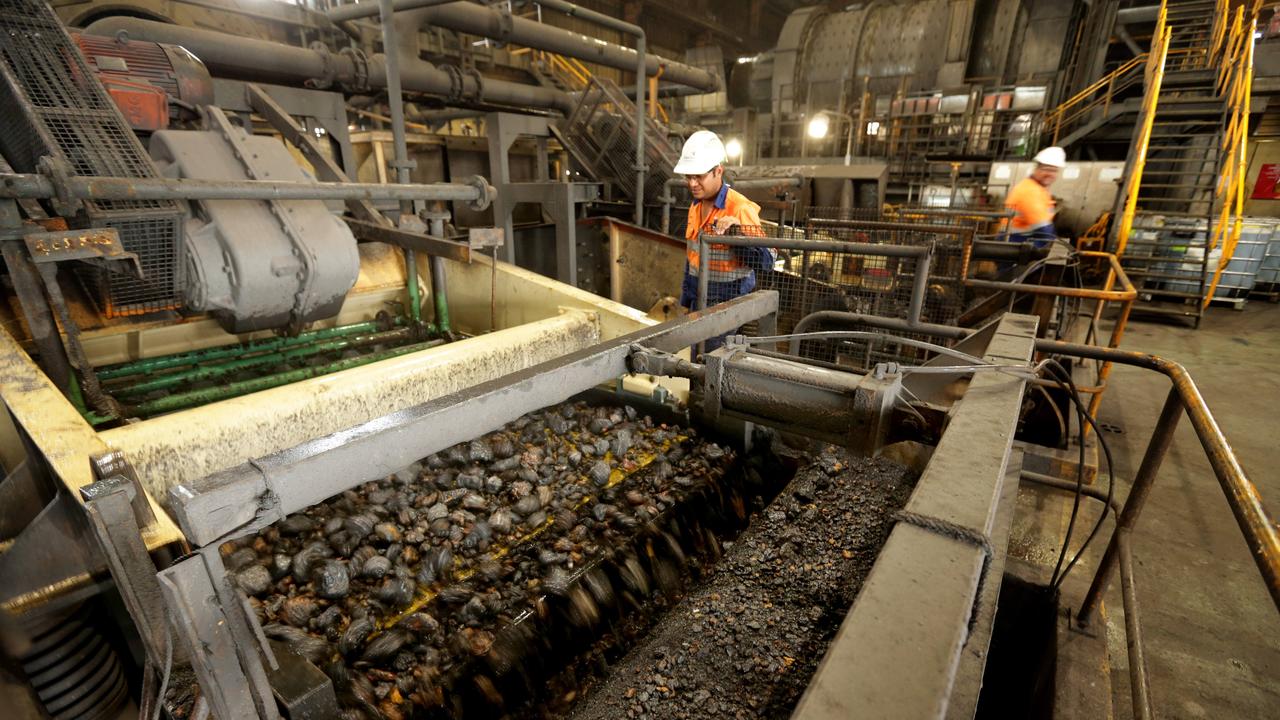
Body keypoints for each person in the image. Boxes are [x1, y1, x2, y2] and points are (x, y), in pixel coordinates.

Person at [674, 130, 771, 351]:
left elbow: (767, 261)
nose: (692, 184)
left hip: (726, 303)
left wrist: (737, 234)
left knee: (709, 360)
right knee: (695, 358)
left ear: (719, 171)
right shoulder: (695, 206)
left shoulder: (739, 208)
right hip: (698, 296)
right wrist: (686, 301)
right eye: (688, 177)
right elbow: (693, 259)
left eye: (698, 176)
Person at [1004, 146, 1066, 249]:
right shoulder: (1029, 191)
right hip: (1015, 246)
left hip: (1021, 244)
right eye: (1046, 169)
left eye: (1054, 170)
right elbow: (1044, 231)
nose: (1050, 174)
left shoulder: (1039, 189)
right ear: (1036, 169)